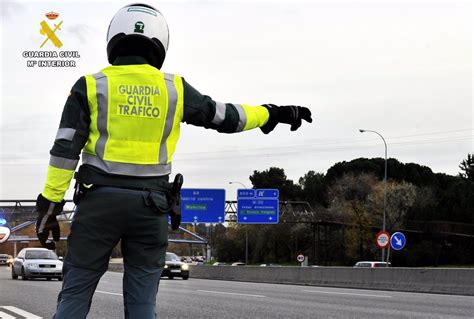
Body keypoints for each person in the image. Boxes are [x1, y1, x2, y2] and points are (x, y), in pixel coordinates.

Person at [35, 3, 312, 319]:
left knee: (75, 293)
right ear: (160, 43)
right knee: (141, 304)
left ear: (113, 39)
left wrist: (50, 203)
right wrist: (272, 113)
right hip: (151, 207)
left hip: (98, 205)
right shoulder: (174, 89)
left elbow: (64, 150)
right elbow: (224, 116)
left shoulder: (90, 85)